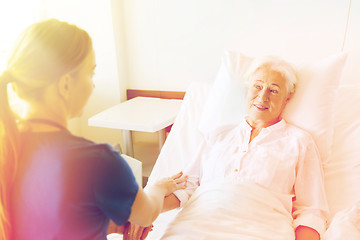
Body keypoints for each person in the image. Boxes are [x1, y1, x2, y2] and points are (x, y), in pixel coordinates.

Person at [0, 19, 186, 240]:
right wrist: (158, 188)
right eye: (90, 73)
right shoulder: (96, 160)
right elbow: (146, 216)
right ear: (65, 84)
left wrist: (107, 225)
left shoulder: (8, 147)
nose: (93, 84)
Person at [130, 56, 329, 240]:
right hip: (198, 224)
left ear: (287, 98)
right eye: (257, 87)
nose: (262, 96)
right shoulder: (218, 135)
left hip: (262, 228)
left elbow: (311, 211)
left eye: (273, 90)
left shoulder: (299, 142)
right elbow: (186, 186)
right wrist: (144, 214)